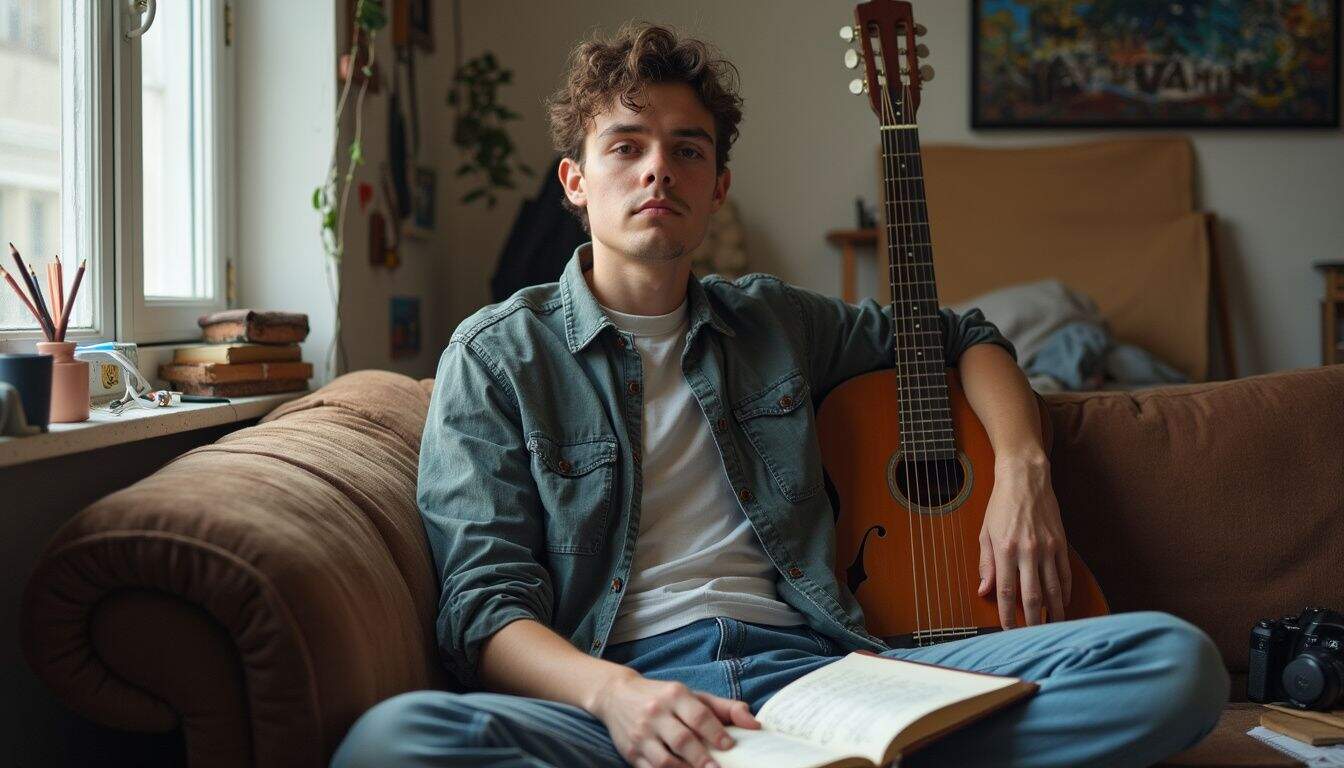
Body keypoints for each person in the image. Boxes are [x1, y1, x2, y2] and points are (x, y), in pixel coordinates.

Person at [333, 22, 1228, 768]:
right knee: (394, 741)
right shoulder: (497, 357)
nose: (659, 172)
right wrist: (621, 701)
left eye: (688, 151)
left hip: (823, 677)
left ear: (717, 187)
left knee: (1172, 661)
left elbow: (963, 336)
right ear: (575, 181)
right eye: (626, 147)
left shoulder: (773, 321)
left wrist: (1022, 476)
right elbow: (486, 611)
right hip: (625, 695)